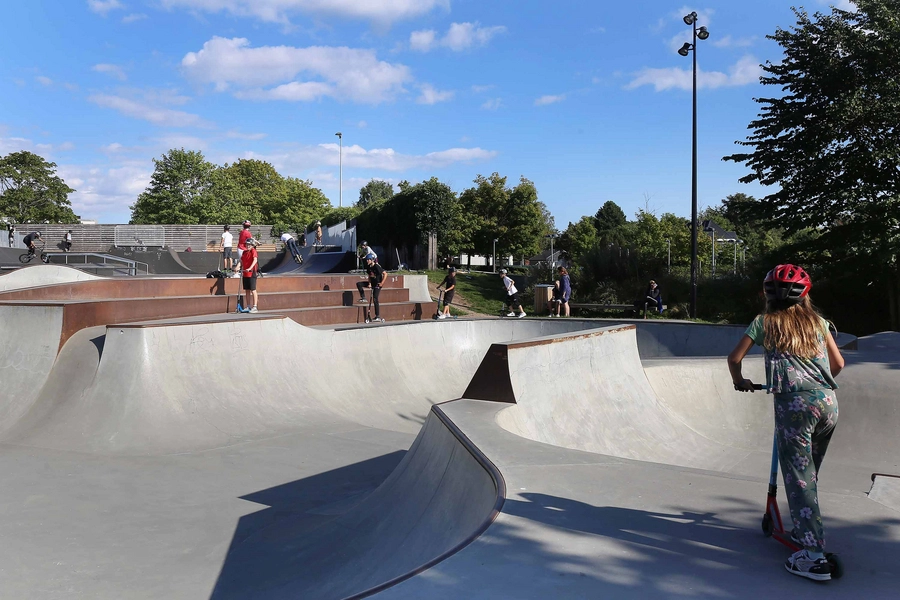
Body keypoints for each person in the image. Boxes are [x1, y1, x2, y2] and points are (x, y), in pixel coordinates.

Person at [727, 264, 844, 582]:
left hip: (795, 407)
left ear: (767, 294)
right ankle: (807, 529)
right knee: (808, 476)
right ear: (805, 295)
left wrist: (741, 381)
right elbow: (838, 363)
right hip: (828, 403)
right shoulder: (818, 322)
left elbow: (735, 359)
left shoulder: (764, 322)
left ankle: (813, 557)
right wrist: (816, 384)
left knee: (798, 479)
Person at [356, 254, 386, 322]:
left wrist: (382, 283)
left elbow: (385, 274)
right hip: (372, 284)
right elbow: (369, 276)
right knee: (359, 284)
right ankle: (363, 298)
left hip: (377, 285)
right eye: (366, 260)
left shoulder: (377, 266)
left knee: (375, 298)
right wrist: (369, 283)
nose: (367, 261)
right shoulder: (369, 267)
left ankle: (377, 316)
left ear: (372, 260)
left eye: (368, 259)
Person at [240, 237, 261, 313]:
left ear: (252, 245)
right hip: (245, 273)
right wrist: (237, 267)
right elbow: (241, 261)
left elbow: (255, 260)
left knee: (253, 290)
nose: (248, 246)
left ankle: (255, 307)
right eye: (247, 244)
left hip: (252, 272)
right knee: (247, 290)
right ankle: (248, 306)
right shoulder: (244, 252)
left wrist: (250, 268)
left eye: (249, 245)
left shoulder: (253, 251)